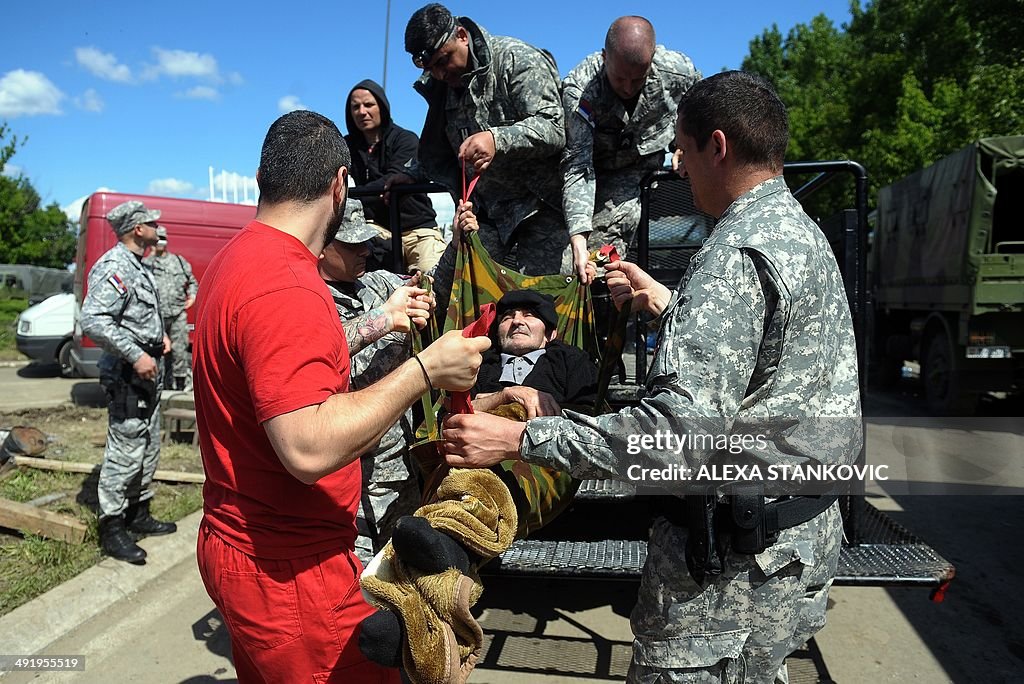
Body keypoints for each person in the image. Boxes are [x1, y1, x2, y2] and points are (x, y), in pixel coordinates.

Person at [442, 71, 863, 683]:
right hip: (798, 546)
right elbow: (774, 364)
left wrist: (521, 440)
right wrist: (673, 305)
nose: (678, 165)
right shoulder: (799, 232)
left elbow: (673, 438)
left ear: (717, 146)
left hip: (729, 577)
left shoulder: (732, 257)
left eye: (684, 150)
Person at [192, 109, 488, 682]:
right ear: (338, 184)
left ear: (263, 181)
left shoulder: (234, 259)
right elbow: (307, 448)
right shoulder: (285, 284)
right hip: (290, 572)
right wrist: (425, 370)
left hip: (242, 546)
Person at [399, 3, 570, 276]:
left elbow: (554, 127)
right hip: (487, 213)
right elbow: (443, 144)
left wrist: (496, 139)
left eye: (444, 60)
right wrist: (411, 174)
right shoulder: (444, 87)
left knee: (542, 303)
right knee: (462, 291)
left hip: (539, 209)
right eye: (433, 68)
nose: (441, 73)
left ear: (462, 36)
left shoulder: (517, 59)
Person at [318, 197, 434, 564]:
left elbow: (430, 284)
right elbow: (319, 352)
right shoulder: (308, 298)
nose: (366, 250)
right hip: (354, 474)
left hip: (403, 464)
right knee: (358, 580)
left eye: (366, 240)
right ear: (320, 247)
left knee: (406, 568)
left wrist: (461, 240)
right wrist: (385, 319)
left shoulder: (379, 282)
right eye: (352, 244)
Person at [562, 16, 701, 283]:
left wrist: (684, 145)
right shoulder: (580, 90)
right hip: (594, 170)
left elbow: (700, 112)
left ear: (653, 57)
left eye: (638, 79)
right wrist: (578, 235)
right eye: (620, 78)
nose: (627, 88)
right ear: (604, 58)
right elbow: (578, 164)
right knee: (572, 259)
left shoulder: (678, 71)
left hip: (640, 168)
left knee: (602, 262)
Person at [81, 200, 175, 565]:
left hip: (148, 373)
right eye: (152, 223)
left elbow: (136, 316)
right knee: (125, 450)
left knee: (148, 444)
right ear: (138, 229)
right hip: (127, 375)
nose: (157, 228)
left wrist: (159, 339)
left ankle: (138, 512)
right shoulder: (115, 266)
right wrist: (136, 354)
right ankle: (112, 526)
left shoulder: (138, 264)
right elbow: (94, 319)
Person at [344, 79, 447, 274]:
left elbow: (392, 180)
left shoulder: (406, 139)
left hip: (418, 230)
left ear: (382, 106)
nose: (362, 111)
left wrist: (353, 195)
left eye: (368, 104)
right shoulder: (346, 147)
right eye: (355, 107)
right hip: (376, 230)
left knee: (435, 276)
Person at [471, 289, 598, 416]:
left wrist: (493, 404)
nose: (516, 321)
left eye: (529, 315)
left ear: (549, 334)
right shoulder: (478, 364)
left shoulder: (570, 360)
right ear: (498, 336)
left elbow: (592, 413)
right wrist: (505, 395)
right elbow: (457, 410)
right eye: (507, 318)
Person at [143, 225, 198, 390]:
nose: (160, 243)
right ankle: (158, 386)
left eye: (163, 239)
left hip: (178, 314)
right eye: (157, 239)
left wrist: (193, 296)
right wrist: (152, 255)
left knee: (180, 351)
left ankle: (179, 387)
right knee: (158, 353)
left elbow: (193, 282)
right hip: (156, 316)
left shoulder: (179, 262)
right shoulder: (146, 264)